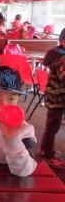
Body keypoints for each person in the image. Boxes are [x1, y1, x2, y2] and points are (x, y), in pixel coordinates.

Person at [39, 28, 65, 168]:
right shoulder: (62, 60)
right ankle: (47, 155)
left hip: (56, 98)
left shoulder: (57, 55)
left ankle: (45, 150)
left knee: (52, 126)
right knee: (52, 127)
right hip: (57, 99)